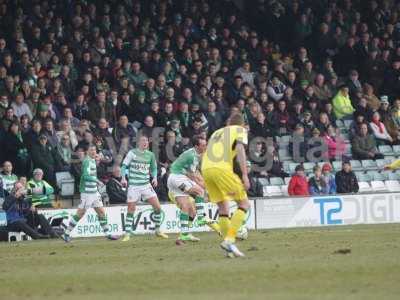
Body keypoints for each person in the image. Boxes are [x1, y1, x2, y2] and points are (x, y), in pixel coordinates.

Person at [201, 113, 250, 258]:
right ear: (242, 124)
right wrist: (245, 174)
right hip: (221, 168)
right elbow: (240, 149)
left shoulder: (217, 132)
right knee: (244, 204)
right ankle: (229, 240)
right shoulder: (240, 130)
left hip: (206, 168)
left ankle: (228, 249)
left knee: (223, 208)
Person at [61, 145, 119, 242]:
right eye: (91, 150)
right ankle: (66, 234)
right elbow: (85, 176)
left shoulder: (92, 160)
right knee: (80, 213)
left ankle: (108, 233)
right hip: (87, 192)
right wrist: (97, 181)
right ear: (87, 151)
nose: (93, 151)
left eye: (94, 150)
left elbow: (104, 163)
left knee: (101, 212)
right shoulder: (87, 161)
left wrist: (102, 159)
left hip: (94, 192)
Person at [167, 136, 219, 242]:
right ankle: (201, 217)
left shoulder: (192, 154)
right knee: (200, 191)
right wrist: (203, 186)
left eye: (206, 144)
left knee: (185, 207)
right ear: (196, 146)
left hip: (172, 179)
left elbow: (193, 173)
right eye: (203, 145)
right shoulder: (192, 156)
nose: (205, 147)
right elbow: (193, 175)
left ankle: (184, 234)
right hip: (178, 178)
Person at [120, 135, 168, 241]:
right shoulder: (132, 153)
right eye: (143, 140)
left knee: (158, 208)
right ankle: (127, 233)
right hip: (134, 186)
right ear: (138, 143)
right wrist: (123, 178)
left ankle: (157, 230)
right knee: (131, 209)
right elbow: (123, 166)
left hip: (146, 185)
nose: (145, 142)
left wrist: (154, 178)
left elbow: (154, 168)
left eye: (146, 140)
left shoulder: (150, 155)